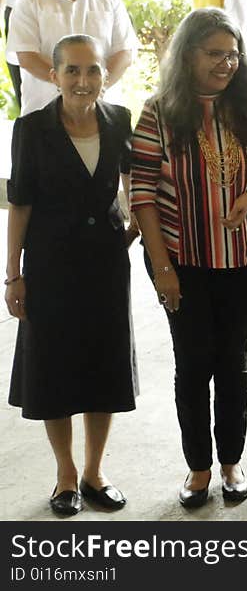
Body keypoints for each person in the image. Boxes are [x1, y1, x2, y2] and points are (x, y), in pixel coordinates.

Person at [130, 8, 247, 508]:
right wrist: (162, 269)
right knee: (192, 365)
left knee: (233, 361)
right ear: (188, 55)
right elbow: (143, 195)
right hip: (183, 263)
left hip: (244, 259)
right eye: (214, 53)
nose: (227, 63)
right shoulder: (159, 111)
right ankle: (199, 468)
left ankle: (231, 463)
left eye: (233, 54)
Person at [6, 34, 137, 516]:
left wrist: (134, 220)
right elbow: (20, 203)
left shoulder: (119, 119)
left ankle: (94, 471)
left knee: (103, 364)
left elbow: (132, 178)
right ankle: (65, 475)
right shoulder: (32, 129)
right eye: (73, 71)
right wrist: (13, 274)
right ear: (54, 75)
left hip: (105, 263)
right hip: (49, 265)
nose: (83, 81)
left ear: (105, 74)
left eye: (93, 71)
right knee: (54, 366)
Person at [6, 0, 138, 116]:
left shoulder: (109, 2)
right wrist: (75, 87)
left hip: (103, 115)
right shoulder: (27, 3)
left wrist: (98, 87)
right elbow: (28, 57)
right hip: (43, 116)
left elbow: (124, 53)